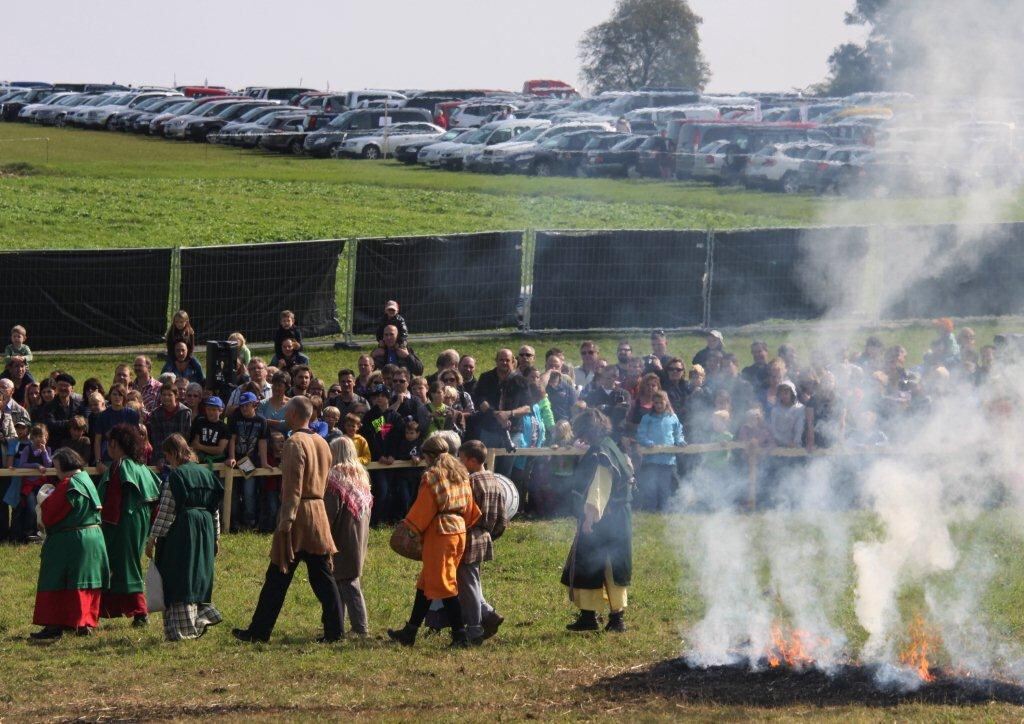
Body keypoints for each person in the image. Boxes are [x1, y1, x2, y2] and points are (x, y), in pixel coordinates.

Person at [233, 397, 344, 643]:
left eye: (287, 413)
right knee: (322, 577)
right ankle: (335, 631)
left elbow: (293, 485)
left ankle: (259, 632)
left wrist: (286, 521)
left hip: (298, 515)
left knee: (277, 575)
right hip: (318, 511)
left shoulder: (295, 442)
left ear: (294, 415)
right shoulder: (322, 442)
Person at [387, 434, 481, 648]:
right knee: (427, 582)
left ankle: (460, 636)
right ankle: (409, 632)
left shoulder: (432, 476)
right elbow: (470, 509)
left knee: (444, 585)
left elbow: (424, 508)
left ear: (429, 456)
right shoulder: (461, 473)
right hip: (458, 532)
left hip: (440, 535)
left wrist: (410, 528)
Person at [562, 408, 634, 633]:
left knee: (601, 565)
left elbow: (599, 489)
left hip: (604, 520)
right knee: (600, 566)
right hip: (615, 518)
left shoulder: (601, 452)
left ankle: (607, 619)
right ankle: (596, 617)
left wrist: (589, 519)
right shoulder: (610, 446)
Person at [146, 434, 224, 641]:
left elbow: (166, 510)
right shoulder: (207, 474)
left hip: (184, 527)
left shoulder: (177, 476)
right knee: (198, 572)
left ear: (173, 453)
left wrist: (153, 537)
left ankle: (183, 628)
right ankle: (201, 618)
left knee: (179, 574)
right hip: (205, 526)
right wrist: (216, 536)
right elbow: (215, 509)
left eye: (167, 456)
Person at [30, 448, 110, 639]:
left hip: (72, 540)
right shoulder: (87, 481)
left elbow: (49, 514)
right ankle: (83, 623)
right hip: (93, 538)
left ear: (64, 466)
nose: (55, 471)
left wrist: (43, 503)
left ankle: (54, 625)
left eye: (56, 467)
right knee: (84, 582)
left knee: (57, 579)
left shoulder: (69, 484)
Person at [97, 424, 162, 626]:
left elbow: (110, 500)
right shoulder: (142, 468)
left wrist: (103, 525)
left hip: (123, 522)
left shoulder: (119, 467)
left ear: (115, 444)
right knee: (127, 563)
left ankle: (140, 612)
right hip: (139, 521)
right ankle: (105, 609)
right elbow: (156, 495)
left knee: (124, 565)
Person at [457, 440, 508, 644]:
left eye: (461, 459)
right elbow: (503, 518)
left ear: (471, 460)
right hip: (485, 535)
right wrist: (490, 535)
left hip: (469, 535)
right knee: (472, 580)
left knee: (467, 583)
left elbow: (463, 511)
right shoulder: (495, 480)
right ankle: (488, 613)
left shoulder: (471, 482)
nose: (460, 463)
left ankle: (475, 627)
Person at [325, 436, 372, 637]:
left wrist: (323, 531)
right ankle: (338, 625)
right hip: (359, 532)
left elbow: (330, 510)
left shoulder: (334, 477)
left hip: (342, 534)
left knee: (348, 582)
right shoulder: (361, 475)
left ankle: (360, 628)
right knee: (340, 580)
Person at [635, 391, 685, 511]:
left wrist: (679, 441)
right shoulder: (647, 418)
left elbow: (678, 432)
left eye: (660, 402)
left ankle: (664, 512)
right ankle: (650, 511)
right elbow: (640, 435)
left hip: (668, 461)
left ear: (666, 402)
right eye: (655, 403)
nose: (658, 405)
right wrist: (647, 442)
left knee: (665, 488)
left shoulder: (673, 417)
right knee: (651, 487)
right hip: (651, 460)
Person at [92, 384, 141, 469]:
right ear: (110, 396)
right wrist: (98, 462)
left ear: (124, 397)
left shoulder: (132, 415)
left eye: (120, 394)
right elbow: (97, 441)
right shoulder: (102, 416)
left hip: (128, 458)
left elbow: (136, 439)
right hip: (107, 458)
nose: (117, 397)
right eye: (114, 394)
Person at [148, 384, 192, 464]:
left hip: (180, 454)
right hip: (162, 455)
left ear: (176, 396)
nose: (166, 397)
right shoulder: (156, 414)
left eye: (170, 395)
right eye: (164, 395)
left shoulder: (185, 412)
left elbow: (185, 437)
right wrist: (160, 457)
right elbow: (156, 438)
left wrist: (178, 457)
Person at [42, 373, 82, 449]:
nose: (63, 388)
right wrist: (70, 422)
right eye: (60, 385)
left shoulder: (78, 405)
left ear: (72, 389)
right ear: (56, 387)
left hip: (74, 444)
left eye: (66, 385)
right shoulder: (49, 406)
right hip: (56, 444)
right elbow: (50, 424)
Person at [189, 396, 229, 463]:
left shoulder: (224, 427)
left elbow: (219, 450)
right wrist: (210, 449)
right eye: (208, 409)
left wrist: (201, 447)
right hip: (199, 460)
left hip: (217, 462)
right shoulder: (200, 421)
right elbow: (195, 444)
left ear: (221, 411)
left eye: (213, 410)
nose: (210, 412)